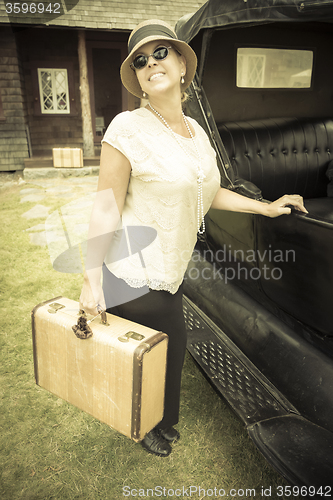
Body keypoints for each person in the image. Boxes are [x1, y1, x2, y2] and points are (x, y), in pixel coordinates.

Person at [79, 19, 308, 458]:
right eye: (141, 62)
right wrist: (91, 279)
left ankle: (156, 422)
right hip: (133, 269)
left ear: (183, 63)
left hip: (170, 264)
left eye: (160, 53)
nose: (151, 64)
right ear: (139, 81)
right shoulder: (127, 129)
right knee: (155, 352)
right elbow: (105, 206)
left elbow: (209, 190)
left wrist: (265, 206)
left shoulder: (196, 132)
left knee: (168, 350)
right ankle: (148, 424)